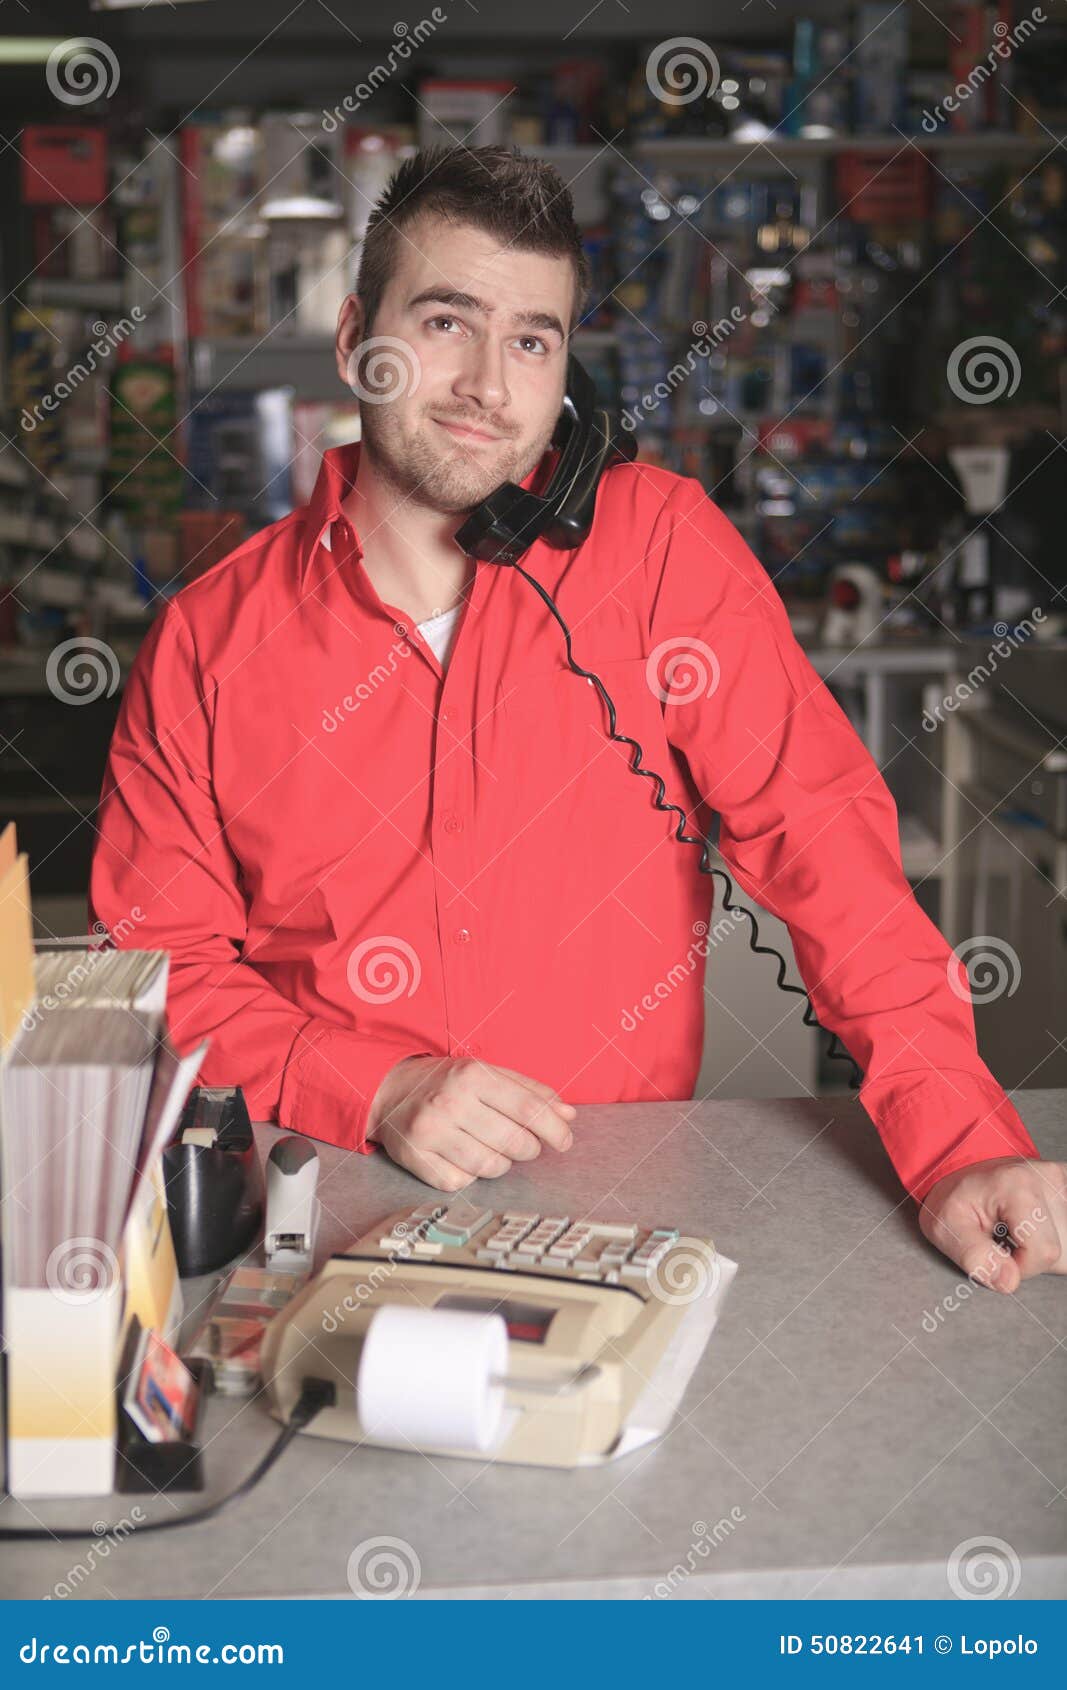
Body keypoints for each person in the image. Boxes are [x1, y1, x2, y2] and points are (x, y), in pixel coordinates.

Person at [89, 143, 1066, 1293]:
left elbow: (823, 844)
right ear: (357, 338)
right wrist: (373, 1086)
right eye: (447, 321)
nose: (488, 387)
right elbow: (161, 973)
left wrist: (959, 1139)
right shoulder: (209, 638)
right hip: (318, 1195)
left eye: (532, 340)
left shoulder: (656, 549)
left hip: (620, 1208)